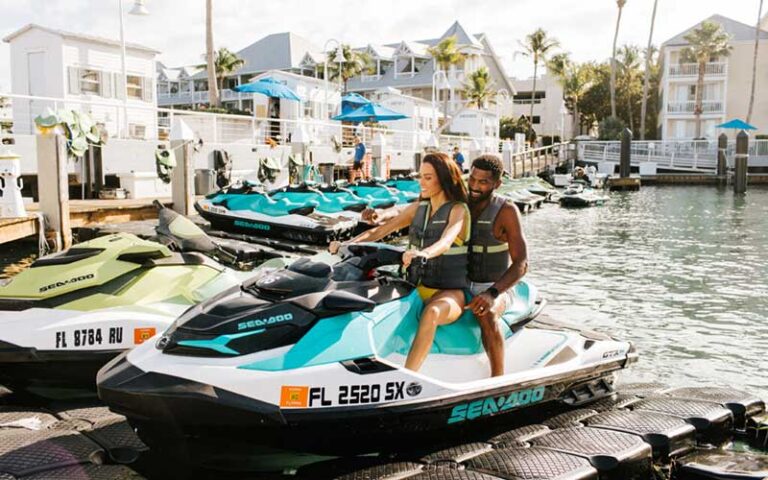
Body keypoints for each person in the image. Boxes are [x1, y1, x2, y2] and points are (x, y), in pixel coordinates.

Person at [330, 153, 470, 372]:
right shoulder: (418, 208)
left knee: (431, 313)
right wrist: (346, 244)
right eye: (420, 177)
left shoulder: (458, 210)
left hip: (447, 292)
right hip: (414, 286)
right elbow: (382, 231)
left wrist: (424, 253)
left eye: (428, 178)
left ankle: (409, 376)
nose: (421, 183)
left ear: (443, 179)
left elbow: (446, 240)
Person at [464, 154, 528, 377]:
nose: (474, 186)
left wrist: (492, 293)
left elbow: (521, 263)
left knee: (487, 314)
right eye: (472, 179)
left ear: (497, 184)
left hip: (496, 286)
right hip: (459, 284)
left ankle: (497, 379)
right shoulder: (458, 203)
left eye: (483, 182)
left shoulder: (507, 211)